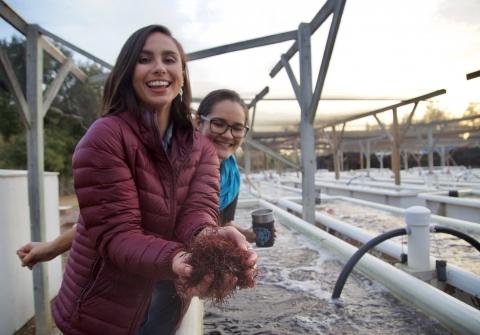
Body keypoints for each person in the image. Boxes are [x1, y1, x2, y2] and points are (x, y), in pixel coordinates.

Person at [35, 25, 256, 335]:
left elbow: (197, 213)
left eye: (169, 59)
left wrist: (209, 235)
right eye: (144, 59)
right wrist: (176, 257)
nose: (159, 68)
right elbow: (114, 232)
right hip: (105, 305)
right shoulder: (105, 137)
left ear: (182, 74)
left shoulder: (200, 149)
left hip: (167, 298)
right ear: (129, 71)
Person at [16, 90, 260, 269]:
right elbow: (105, 220)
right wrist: (51, 248)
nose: (228, 135)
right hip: (130, 267)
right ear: (198, 122)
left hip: (177, 271)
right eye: (218, 123)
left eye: (237, 128)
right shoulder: (166, 160)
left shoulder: (232, 176)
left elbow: (221, 222)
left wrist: (249, 235)